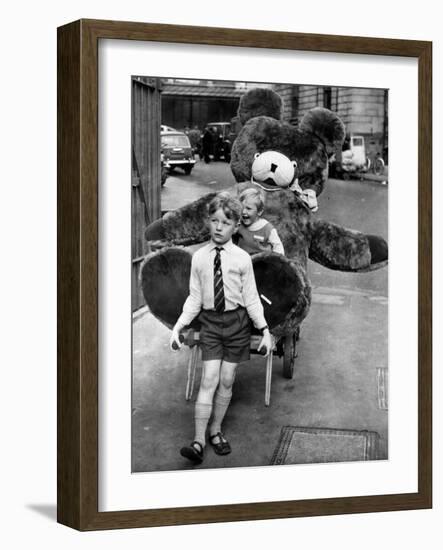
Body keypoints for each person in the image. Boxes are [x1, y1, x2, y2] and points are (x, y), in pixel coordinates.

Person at [170, 192, 273, 464]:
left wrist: (264, 330)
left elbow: (251, 297)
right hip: (211, 324)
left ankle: (216, 430)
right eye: (214, 220)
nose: (218, 227)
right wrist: (178, 326)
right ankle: (198, 441)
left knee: (227, 380)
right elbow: (194, 297)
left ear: (236, 226)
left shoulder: (242, 259)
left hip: (237, 323)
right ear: (208, 221)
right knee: (209, 379)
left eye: (225, 223)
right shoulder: (199, 258)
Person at [236, 187, 285, 255]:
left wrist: (277, 262)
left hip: (261, 262)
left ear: (259, 211)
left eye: (248, 208)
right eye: (242, 208)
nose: (244, 212)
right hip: (243, 261)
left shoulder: (267, 229)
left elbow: (278, 248)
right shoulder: (239, 224)